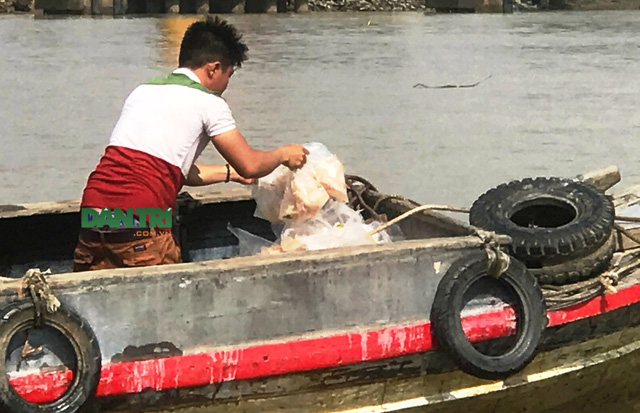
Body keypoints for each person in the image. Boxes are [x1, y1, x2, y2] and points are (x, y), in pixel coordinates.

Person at [73, 16, 308, 272]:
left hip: (93, 216)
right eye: (228, 75)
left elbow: (171, 168)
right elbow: (251, 164)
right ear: (213, 68)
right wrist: (283, 154)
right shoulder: (210, 103)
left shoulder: (143, 91)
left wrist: (230, 174)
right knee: (168, 300)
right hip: (143, 221)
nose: (227, 85)